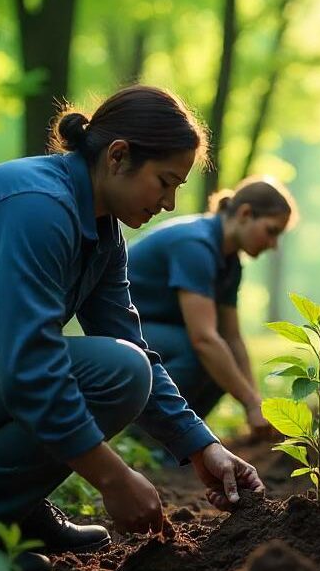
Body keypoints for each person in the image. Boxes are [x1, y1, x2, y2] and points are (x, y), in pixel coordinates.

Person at [0, 85, 265, 571]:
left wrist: (201, 445)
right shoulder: (37, 206)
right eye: (165, 182)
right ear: (118, 156)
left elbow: (132, 343)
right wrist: (113, 478)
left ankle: (6, 505)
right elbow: (30, 367)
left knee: (129, 365)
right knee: (116, 371)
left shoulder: (103, 232)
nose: (169, 203)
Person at [127, 176, 297, 441]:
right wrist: (250, 403)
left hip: (156, 332)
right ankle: (145, 437)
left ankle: (182, 440)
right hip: (121, 330)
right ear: (245, 214)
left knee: (224, 359)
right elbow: (204, 339)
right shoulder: (196, 245)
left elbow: (233, 338)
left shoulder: (230, 264)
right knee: (204, 354)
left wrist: (256, 402)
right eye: (272, 231)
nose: (274, 244)